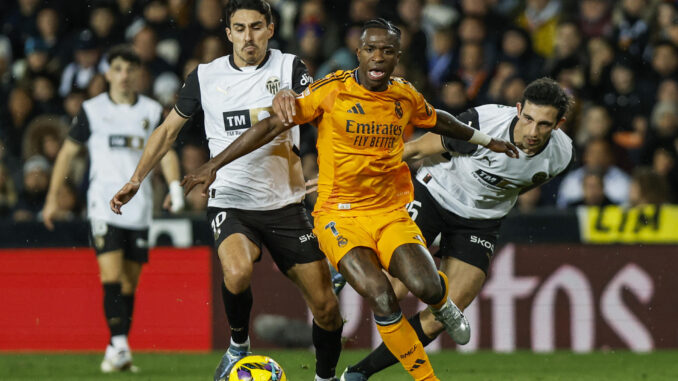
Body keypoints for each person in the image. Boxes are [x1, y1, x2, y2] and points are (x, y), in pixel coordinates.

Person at [181, 18, 519, 381]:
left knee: (426, 286)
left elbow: (439, 121)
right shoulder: (330, 91)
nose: (377, 58)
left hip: (390, 211)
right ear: (357, 53)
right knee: (382, 295)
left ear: (397, 57)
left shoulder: (404, 95)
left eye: (386, 51)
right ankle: (427, 378)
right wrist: (214, 163)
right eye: (370, 50)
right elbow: (271, 125)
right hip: (338, 215)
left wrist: (487, 141)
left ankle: (442, 303)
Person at [109, 2, 344, 381]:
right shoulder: (205, 76)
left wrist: (333, 174)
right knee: (235, 272)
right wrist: (137, 178)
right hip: (231, 200)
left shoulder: (289, 68)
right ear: (228, 34)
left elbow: (324, 119)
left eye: (256, 27)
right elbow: (168, 130)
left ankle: (325, 377)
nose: (248, 37)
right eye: (240, 28)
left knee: (327, 310)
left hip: (285, 203)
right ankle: (238, 345)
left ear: (270, 28)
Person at [339, 77, 575, 380]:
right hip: (433, 194)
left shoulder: (562, 155)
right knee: (391, 289)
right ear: (518, 109)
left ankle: (358, 374)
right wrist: (353, 173)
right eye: (528, 118)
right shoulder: (484, 123)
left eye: (544, 124)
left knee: (446, 314)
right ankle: (343, 257)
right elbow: (416, 148)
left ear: (558, 124)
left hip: (480, 222)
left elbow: (521, 181)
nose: (532, 131)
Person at [42, 45, 184, 373]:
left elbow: (167, 151)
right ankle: (121, 345)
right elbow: (67, 154)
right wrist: (52, 198)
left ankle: (114, 348)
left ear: (138, 75)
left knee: (130, 283)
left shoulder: (150, 110)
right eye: (118, 69)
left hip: (140, 207)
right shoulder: (92, 110)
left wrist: (175, 187)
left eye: (129, 70)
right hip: (102, 205)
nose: (124, 75)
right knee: (111, 274)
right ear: (108, 74)